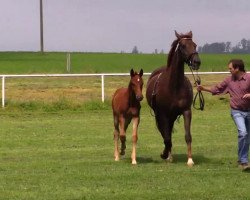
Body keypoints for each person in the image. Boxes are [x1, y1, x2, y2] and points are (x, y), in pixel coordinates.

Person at [197, 59, 250, 171]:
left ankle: (241, 160)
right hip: (236, 111)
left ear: (237, 68)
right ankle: (244, 161)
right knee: (243, 133)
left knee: (247, 137)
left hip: (249, 111)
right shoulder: (229, 81)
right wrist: (203, 88)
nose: (229, 70)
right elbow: (217, 89)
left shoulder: (249, 78)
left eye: (230, 68)